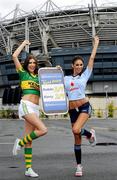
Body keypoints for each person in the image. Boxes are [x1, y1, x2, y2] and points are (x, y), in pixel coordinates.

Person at [64, 36, 99, 177]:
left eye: (80, 65)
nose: (79, 67)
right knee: (77, 137)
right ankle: (79, 167)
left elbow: (91, 60)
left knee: (76, 129)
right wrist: (56, 70)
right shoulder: (65, 79)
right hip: (72, 110)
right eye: (77, 64)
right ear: (72, 66)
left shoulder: (84, 76)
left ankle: (90, 135)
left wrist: (95, 44)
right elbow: (53, 85)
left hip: (84, 106)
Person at [12, 40, 48, 177]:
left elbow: (51, 81)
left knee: (30, 139)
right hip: (26, 106)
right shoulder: (22, 73)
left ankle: (28, 169)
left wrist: (57, 70)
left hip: (35, 108)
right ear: (27, 64)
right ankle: (20, 143)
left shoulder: (39, 77)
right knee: (43, 130)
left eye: (34, 63)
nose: (32, 64)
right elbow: (14, 56)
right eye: (30, 62)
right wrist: (23, 44)